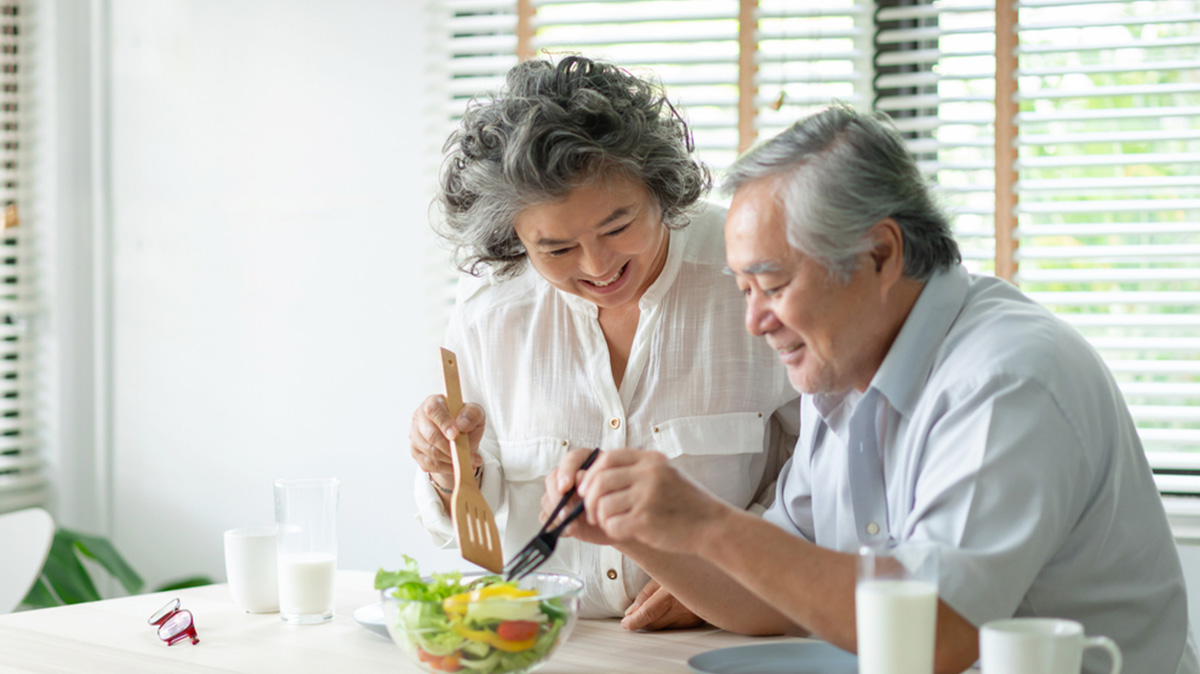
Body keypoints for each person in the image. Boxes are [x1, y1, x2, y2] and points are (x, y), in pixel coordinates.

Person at [548, 105, 1199, 673]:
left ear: (880, 255)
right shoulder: (846, 378)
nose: (754, 323)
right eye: (744, 291)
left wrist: (707, 521)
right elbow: (770, 597)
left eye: (773, 287)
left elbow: (933, 636)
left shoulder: (1008, 379)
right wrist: (635, 527)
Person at [408, 55, 799, 627]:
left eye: (619, 227)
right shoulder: (489, 315)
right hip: (550, 646)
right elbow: (477, 526)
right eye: (557, 250)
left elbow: (821, 474)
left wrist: (728, 580)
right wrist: (447, 475)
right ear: (514, 238)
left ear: (661, 189)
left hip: (726, 643)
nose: (598, 266)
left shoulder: (754, 277)